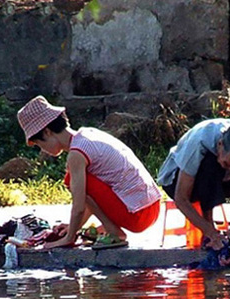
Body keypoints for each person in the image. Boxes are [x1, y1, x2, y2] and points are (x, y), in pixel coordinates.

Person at [17, 95, 161, 249]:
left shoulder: (76, 154)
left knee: (70, 179)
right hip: (152, 206)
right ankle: (108, 228)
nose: (42, 149)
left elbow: (79, 205)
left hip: (139, 214)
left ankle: (114, 233)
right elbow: (93, 200)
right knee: (81, 181)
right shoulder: (88, 134)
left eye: (39, 143)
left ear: (47, 132)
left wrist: (69, 238)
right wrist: (73, 227)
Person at [157, 118, 230, 249]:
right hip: (178, 182)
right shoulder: (199, 141)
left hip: (220, 181)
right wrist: (211, 233)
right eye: (227, 164)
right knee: (210, 163)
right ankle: (210, 231)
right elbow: (181, 198)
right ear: (220, 145)